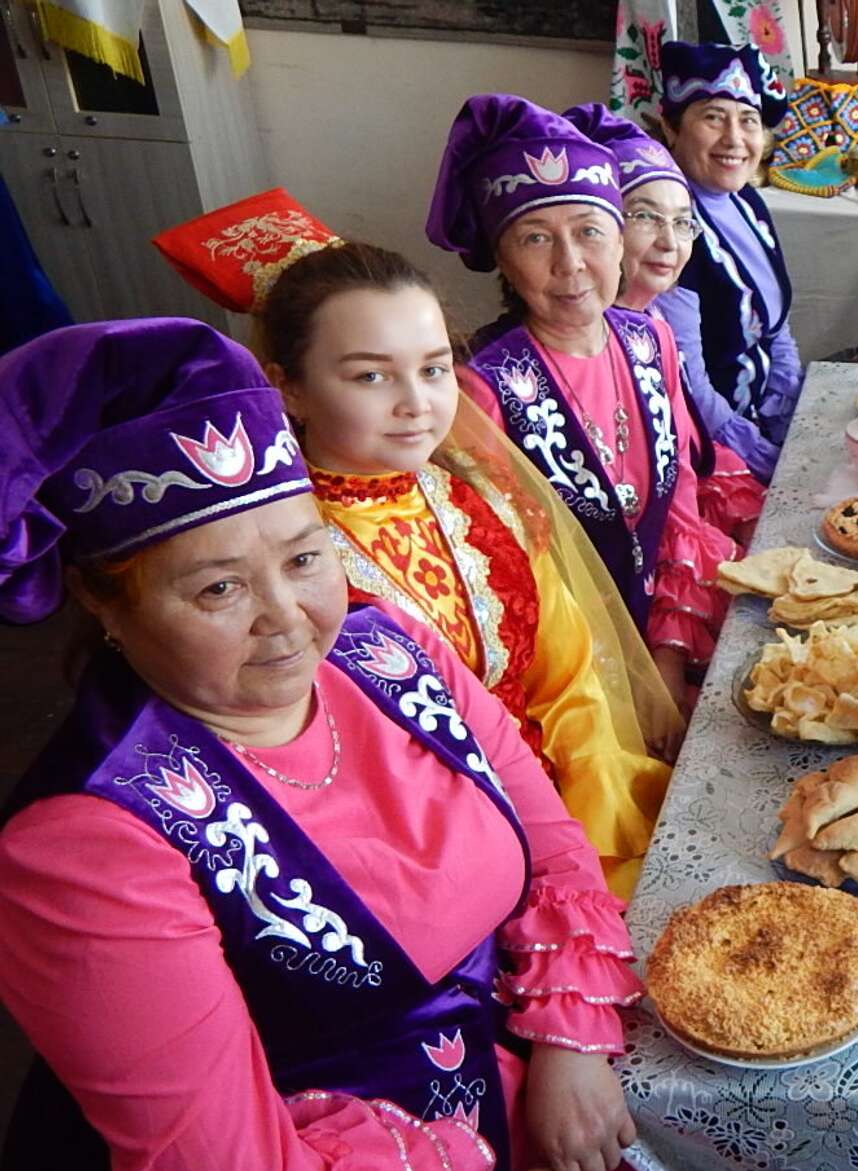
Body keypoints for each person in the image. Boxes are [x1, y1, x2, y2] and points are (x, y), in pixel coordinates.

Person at [0, 319, 639, 1170]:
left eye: (306, 557)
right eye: (219, 586)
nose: (288, 618)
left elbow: (553, 845)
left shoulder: (388, 651)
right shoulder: (89, 840)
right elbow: (229, 1156)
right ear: (104, 605)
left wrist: (568, 1042)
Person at [153, 188, 687, 899]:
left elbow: (569, 681)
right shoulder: (284, 560)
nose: (416, 402)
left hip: (570, 811)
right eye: (371, 375)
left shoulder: (482, 503)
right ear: (289, 389)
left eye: (434, 368)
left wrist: (583, 846)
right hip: (416, 865)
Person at [426, 93, 752, 704]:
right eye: (535, 239)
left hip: (669, 637)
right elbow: (515, 579)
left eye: (590, 232)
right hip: (573, 681)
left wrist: (664, 664)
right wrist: (627, 689)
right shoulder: (483, 391)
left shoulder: (651, 338)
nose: (571, 264)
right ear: (503, 258)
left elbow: (679, 502)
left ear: (619, 239)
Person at [565, 100, 781, 486]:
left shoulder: (655, 328)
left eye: (683, 223)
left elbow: (679, 449)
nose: (668, 242)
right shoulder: (579, 341)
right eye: (645, 217)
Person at [658, 41, 802, 450]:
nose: (734, 139)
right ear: (671, 127)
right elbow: (687, 384)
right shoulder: (670, 228)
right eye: (714, 118)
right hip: (712, 447)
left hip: (761, 423)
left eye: (749, 120)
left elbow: (776, 327)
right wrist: (761, 455)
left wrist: (789, 410)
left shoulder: (747, 201)